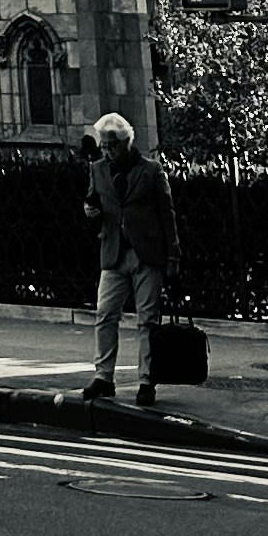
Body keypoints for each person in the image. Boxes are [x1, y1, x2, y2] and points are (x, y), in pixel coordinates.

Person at [80, 108, 181, 407]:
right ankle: (104, 377)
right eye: (104, 146)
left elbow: (167, 213)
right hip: (113, 253)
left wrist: (173, 255)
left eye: (111, 145)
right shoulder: (97, 169)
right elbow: (93, 203)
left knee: (147, 320)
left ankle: (146, 380)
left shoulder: (151, 170)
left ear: (126, 143)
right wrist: (90, 213)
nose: (107, 151)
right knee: (105, 314)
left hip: (147, 255)